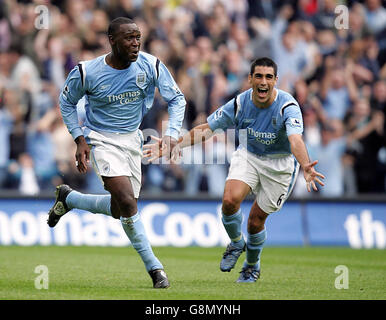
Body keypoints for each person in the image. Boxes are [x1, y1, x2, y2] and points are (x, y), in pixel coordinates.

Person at [144, 57, 324, 283]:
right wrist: (172, 144)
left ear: (276, 81)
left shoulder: (288, 106)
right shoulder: (240, 103)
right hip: (248, 154)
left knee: (255, 221)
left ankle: (251, 264)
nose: (263, 81)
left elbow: (295, 139)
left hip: (280, 165)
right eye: (258, 76)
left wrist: (306, 164)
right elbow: (207, 129)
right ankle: (237, 242)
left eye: (269, 77)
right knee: (229, 201)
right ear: (250, 79)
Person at [47, 17, 186, 289]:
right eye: (129, 38)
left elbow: (177, 98)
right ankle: (156, 269)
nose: (136, 43)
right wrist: (79, 139)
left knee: (118, 209)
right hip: (100, 139)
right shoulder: (87, 72)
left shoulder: (151, 65)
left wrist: (171, 134)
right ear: (112, 40)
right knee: (127, 201)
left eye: (138, 37)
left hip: (132, 140)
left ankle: (70, 199)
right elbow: (66, 103)